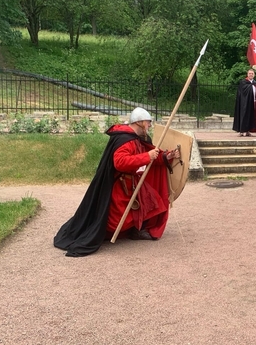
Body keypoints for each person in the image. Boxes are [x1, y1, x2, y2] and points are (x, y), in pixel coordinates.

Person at [54, 107, 180, 257]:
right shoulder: (125, 140)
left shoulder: (137, 139)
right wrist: (147, 156)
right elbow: (119, 162)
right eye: (148, 122)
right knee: (113, 219)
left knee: (152, 203)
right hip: (119, 186)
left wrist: (167, 156)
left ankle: (136, 230)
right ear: (139, 122)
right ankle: (103, 233)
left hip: (132, 184)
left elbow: (151, 154)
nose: (150, 126)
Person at [233, 69, 256, 137]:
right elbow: (241, 93)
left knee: (250, 116)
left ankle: (248, 130)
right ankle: (242, 130)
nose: (251, 75)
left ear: (254, 75)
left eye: (252, 73)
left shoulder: (255, 83)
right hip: (244, 102)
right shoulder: (243, 82)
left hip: (253, 102)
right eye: (249, 73)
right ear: (247, 74)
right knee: (244, 115)